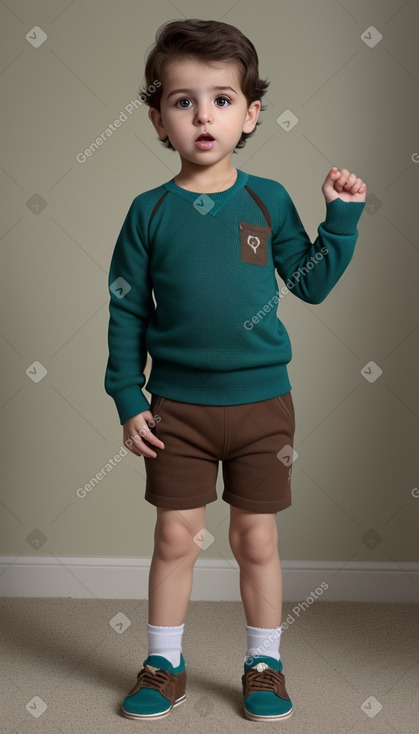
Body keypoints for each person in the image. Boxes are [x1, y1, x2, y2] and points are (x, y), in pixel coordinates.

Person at [104, 18, 366, 722]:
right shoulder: (148, 212)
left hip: (261, 407)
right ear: (158, 119)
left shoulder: (266, 200)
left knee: (256, 537)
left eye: (220, 99)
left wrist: (339, 220)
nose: (202, 115)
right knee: (174, 537)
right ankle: (164, 661)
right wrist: (128, 396)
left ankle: (264, 663)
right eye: (182, 101)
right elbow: (126, 313)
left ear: (249, 113)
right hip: (176, 410)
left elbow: (307, 283)